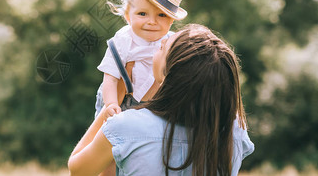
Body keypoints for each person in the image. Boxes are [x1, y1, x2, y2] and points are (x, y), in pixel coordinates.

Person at [68, 24, 255, 176]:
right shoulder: (234, 132)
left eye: (162, 48)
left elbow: (78, 170)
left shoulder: (126, 127)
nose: (161, 41)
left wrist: (112, 104)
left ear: (169, 75)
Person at [95, 0, 188, 121]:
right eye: (143, 14)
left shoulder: (171, 43)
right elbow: (110, 78)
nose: (152, 21)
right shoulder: (123, 41)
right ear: (128, 15)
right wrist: (110, 104)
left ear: (171, 21)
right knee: (109, 137)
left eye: (161, 15)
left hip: (152, 106)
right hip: (119, 102)